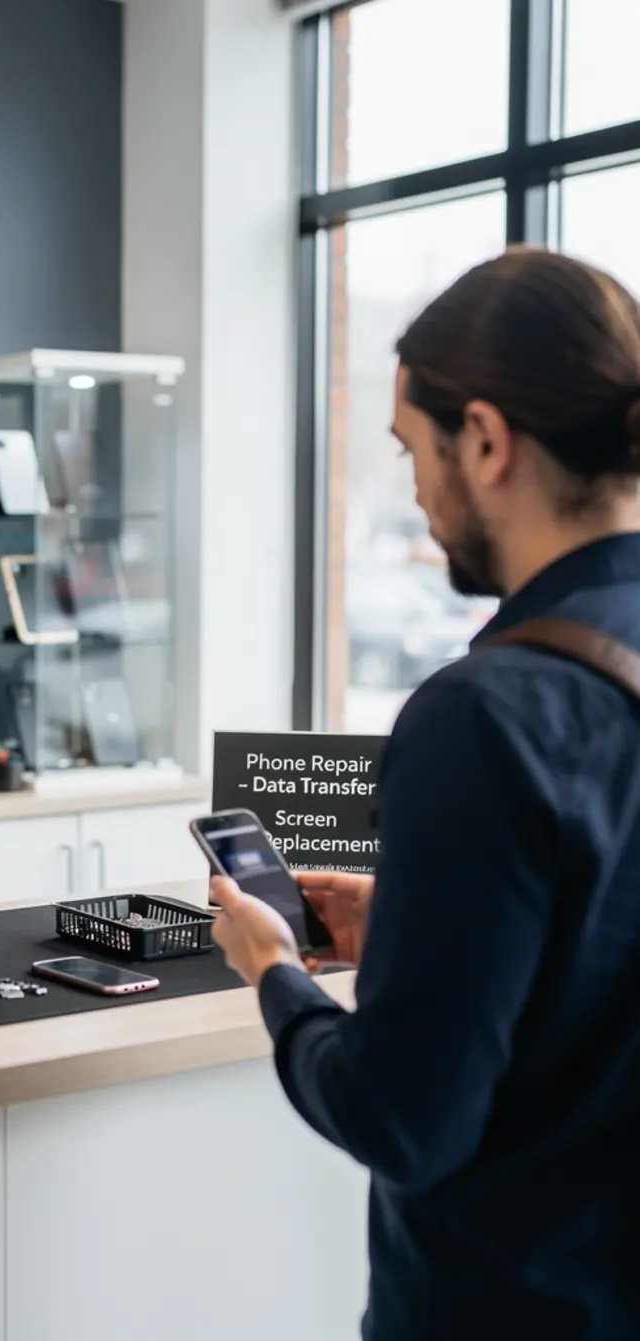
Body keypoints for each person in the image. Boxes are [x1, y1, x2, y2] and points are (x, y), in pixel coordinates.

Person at [210, 250, 640, 1340]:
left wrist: (274, 974)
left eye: (413, 449)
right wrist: (415, 918)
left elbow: (405, 1120)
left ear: (487, 441)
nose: (414, 487)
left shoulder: (484, 715)